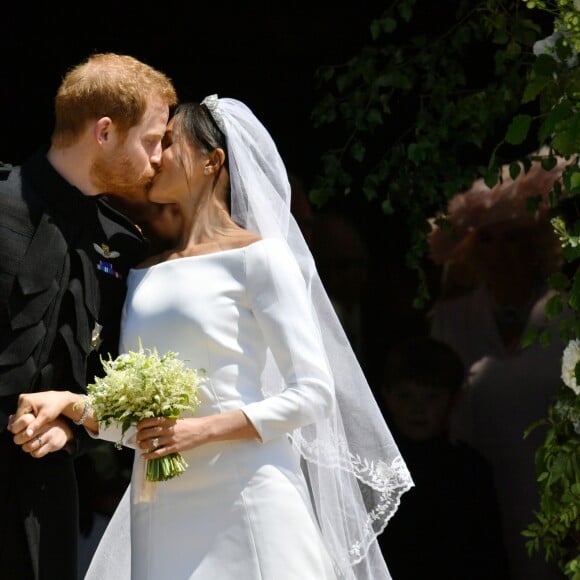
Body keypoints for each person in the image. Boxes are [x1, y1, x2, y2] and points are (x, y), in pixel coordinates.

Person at [10, 96, 414, 579]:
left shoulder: (259, 259)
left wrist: (197, 431)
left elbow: (313, 394)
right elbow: (147, 427)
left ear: (212, 161)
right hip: (160, 507)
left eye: (168, 143)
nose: (154, 157)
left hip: (248, 493)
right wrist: (72, 405)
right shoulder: (141, 270)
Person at [0, 52, 177, 580]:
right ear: (104, 131)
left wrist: (71, 433)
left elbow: (107, 379)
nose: (160, 158)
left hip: (45, 496)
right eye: (151, 140)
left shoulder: (124, 246)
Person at [427, 152, 574, 580]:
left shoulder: (567, 312)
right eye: (487, 240)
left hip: (557, 489)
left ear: (534, 242)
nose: (500, 252)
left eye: (511, 238)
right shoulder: (452, 318)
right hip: (479, 492)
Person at [377, 336, 510, 579]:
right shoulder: (374, 470)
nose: (418, 408)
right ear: (387, 396)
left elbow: (489, 555)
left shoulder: (470, 470)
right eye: (406, 396)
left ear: (454, 399)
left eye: (431, 397)